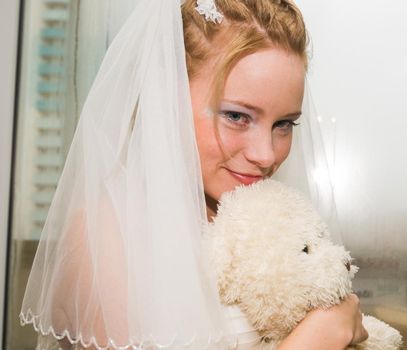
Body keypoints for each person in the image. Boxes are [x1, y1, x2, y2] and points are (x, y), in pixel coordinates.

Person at [20, 0, 367, 349]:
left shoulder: (260, 221)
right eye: (236, 116)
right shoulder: (105, 236)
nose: (266, 155)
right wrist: (321, 335)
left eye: (284, 124)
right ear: (165, 97)